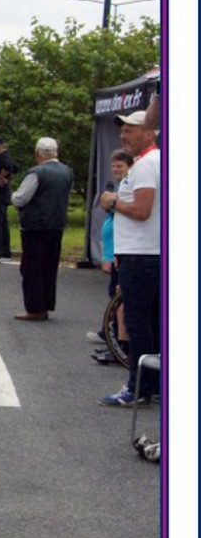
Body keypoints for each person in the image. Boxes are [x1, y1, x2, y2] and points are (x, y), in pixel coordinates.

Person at [95, 108, 161, 406]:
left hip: (141, 255)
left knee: (138, 324)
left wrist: (112, 201)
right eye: (121, 131)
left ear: (149, 132)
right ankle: (153, 385)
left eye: (129, 130)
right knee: (153, 323)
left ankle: (138, 388)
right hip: (149, 253)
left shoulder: (146, 165)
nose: (123, 136)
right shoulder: (155, 161)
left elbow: (142, 210)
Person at [10, 137, 74, 321]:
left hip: (35, 225)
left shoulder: (37, 173)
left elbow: (21, 198)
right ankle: (46, 303)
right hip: (57, 223)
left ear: (38, 153)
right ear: (56, 152)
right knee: (49, 266)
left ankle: (34, 308)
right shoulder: (67, 172)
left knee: (32, 268)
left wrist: (12, 196)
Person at [90, 149, 135, 364]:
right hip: (114, 251)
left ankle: (120, 346)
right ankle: (113, 341)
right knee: (115, 298)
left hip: (123, 251)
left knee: (120, 300)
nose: (116, 170)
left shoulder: (128, 189)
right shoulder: (119, 188)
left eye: (120, 166)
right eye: (113, 166)